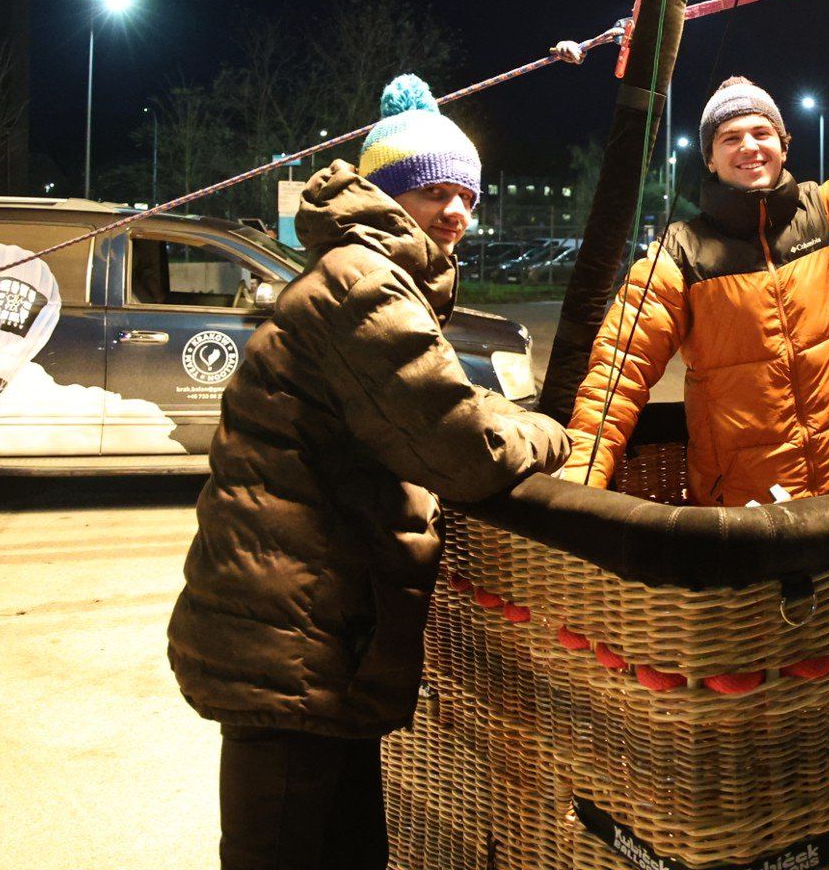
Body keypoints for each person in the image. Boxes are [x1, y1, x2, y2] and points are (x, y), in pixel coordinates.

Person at [169, 75, 570, 870]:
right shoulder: (362, 284)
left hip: (312, 637)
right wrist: (550, 433)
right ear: (387, 195)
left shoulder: (366, 276)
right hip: (295, 642)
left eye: (467, 195)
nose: (456, 211)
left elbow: (422, 410)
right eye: (434, 192)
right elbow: (462, 449)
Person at [560, 0, 829, 506]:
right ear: (711, 159)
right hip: (748, 515)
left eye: (762, 132)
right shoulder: (680, 256)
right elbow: (616, 374)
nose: (749, 145)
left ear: (783, 145)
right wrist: (577, 488)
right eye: (730, 138)